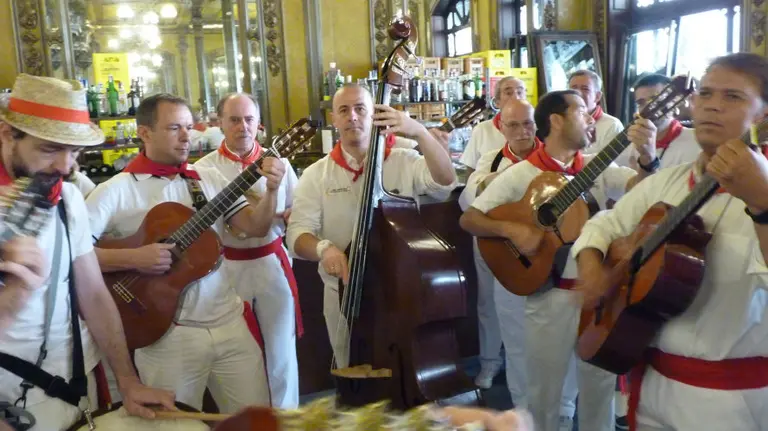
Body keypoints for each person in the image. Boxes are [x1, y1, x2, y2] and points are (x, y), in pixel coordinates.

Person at [573, 52, 768, 431]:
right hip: (651, 386)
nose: (712, 105)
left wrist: (762, 204)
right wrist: (593, 267)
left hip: (732, 403)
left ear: (762, 116)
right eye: (705, 93)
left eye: (732, 96)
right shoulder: (667, 180)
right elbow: (604, 225)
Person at [459, 89, 657, 431]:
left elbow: (643, 191)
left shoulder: (597, 166)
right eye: (581, 111)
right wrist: (511, 229)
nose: (591, 117)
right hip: (548, 293)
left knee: (599, 390)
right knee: (543, 393)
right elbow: (470, 218)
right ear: (556, 120)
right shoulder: (521, 173)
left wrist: (648, 157)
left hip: (599, 297)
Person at [86, 93, 285, 412]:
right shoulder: (116, 190)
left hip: (229, 322)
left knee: (255, 418)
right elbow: (73, 256)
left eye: (189, 127)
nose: (186, 136)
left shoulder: (209, 178)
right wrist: (134, 258)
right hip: (166, 334)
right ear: (144, 133)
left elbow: (255, 227)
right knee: (174, 423)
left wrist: (272, 191)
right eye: (174, 128)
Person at [0, 74, 175, 430]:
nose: (66, 167)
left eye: (75, 151)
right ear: (8, 134)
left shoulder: (67, 198)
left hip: (76, 384)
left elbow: (93, 293)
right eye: (50, 149)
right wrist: (16, 294)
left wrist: (127, 380)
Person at [285, 84, 456, 367]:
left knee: (410, 363)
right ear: (334, 119)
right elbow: (297, 235)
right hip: (344, 293)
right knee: (350, 367)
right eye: (344, 110)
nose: (352, 116)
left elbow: (444, 184)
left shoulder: (404, 159)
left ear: (374, 115)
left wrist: (421, 133)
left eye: (360, 109)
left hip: (403, 288)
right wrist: (324, 249)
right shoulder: (316, 175)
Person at [459, 98, 579, 429]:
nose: (523, 131)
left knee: (565, 341)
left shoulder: (560, 159)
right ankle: (521, 412)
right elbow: (470, 205)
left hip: (557, 263)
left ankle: (564, 409)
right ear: (500, 127)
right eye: (513, 125)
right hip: (512, 259)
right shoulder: (492, 160)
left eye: (528, 124)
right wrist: (506, 212)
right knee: (515, 338)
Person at [194, 93, 301, 409]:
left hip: (271, 262)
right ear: (220, 123)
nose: (243, 126)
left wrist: (291, 216)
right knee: (240, 352)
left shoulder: (280, 164)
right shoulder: (203, 169)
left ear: (259, 123)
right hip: (227, 267)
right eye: (234, 120)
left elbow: (297, 209)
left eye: (249, 119)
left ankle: (287, 420)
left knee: (281, 350)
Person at [456, 76, 527, 389]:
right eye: (508, 91)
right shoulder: (486, 144)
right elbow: (470, 190)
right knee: (489, 301)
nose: (521, 131)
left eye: (520, 90)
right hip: (489, 233)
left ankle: (524, 369)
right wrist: (499, 180)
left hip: (532, 236)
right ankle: (489, 362)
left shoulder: (544, 145)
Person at [625, 74, 701, 171]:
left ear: (673, 101)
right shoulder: (629, 142)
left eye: (656, 99)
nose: (648, 107)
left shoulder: (696, 143)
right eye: (641, 103)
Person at [460, 77, 527, 175]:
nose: (516, 97)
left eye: (520, 92)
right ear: (497, 102)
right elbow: (471, 168)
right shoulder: (482, 129)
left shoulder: (536, 128)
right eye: (509, 93)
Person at [568, 70, 625, 164]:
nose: (578, 93)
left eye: (585, 89)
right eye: (573, 88)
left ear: (597, 96)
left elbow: (616, 165)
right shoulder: (560, 121)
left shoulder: (612, 125)